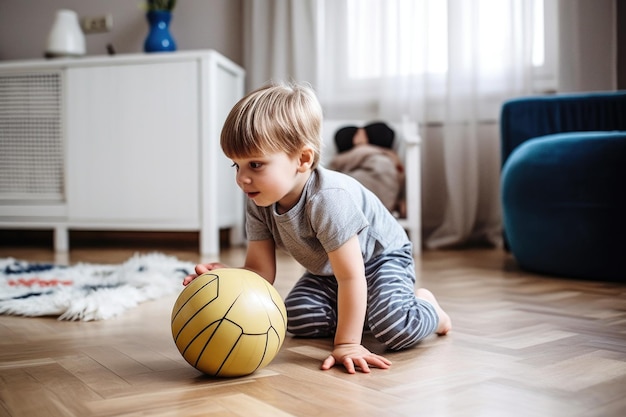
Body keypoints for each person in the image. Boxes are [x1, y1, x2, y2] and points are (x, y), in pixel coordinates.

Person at [183, 81, 451, 374]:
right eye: (237, 166)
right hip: (329, 271)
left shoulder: (328, 199)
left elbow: (351, 276)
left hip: (378, 259)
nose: (242, 179)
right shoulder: (258, 200)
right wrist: (228, 275)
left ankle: (430, 309)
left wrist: (347, 343)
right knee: (297, 317)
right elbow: (261, 273)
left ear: (303, 159)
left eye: (255, 165)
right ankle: (364, 312)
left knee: (396, 327)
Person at [330, 122, 406, 216]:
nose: (361, 134)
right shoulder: (387, 157)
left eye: (364, 133)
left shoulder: (372, 156)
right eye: (358, 133)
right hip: (379, 209)